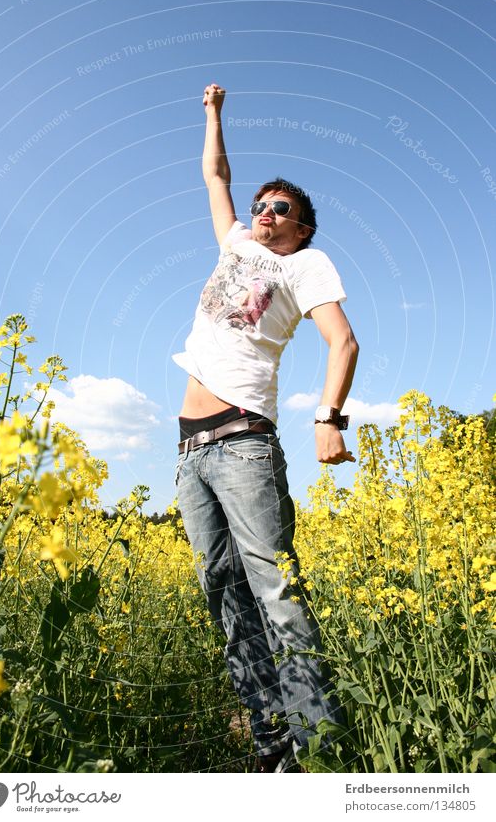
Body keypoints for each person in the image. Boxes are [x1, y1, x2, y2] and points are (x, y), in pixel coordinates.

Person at [172, 83, 359, 772]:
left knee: (275, 592)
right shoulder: (234, 241)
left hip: (245, 439)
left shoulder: (304, 263)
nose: (261, 212)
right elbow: (215, 174)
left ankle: (324, 755)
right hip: (190, 446)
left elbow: (342, 342)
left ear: (301, 226)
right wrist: (215, 115)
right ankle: (272, 745)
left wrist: (326, 418)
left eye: (278, 207)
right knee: (225, 600)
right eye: (259, 204)